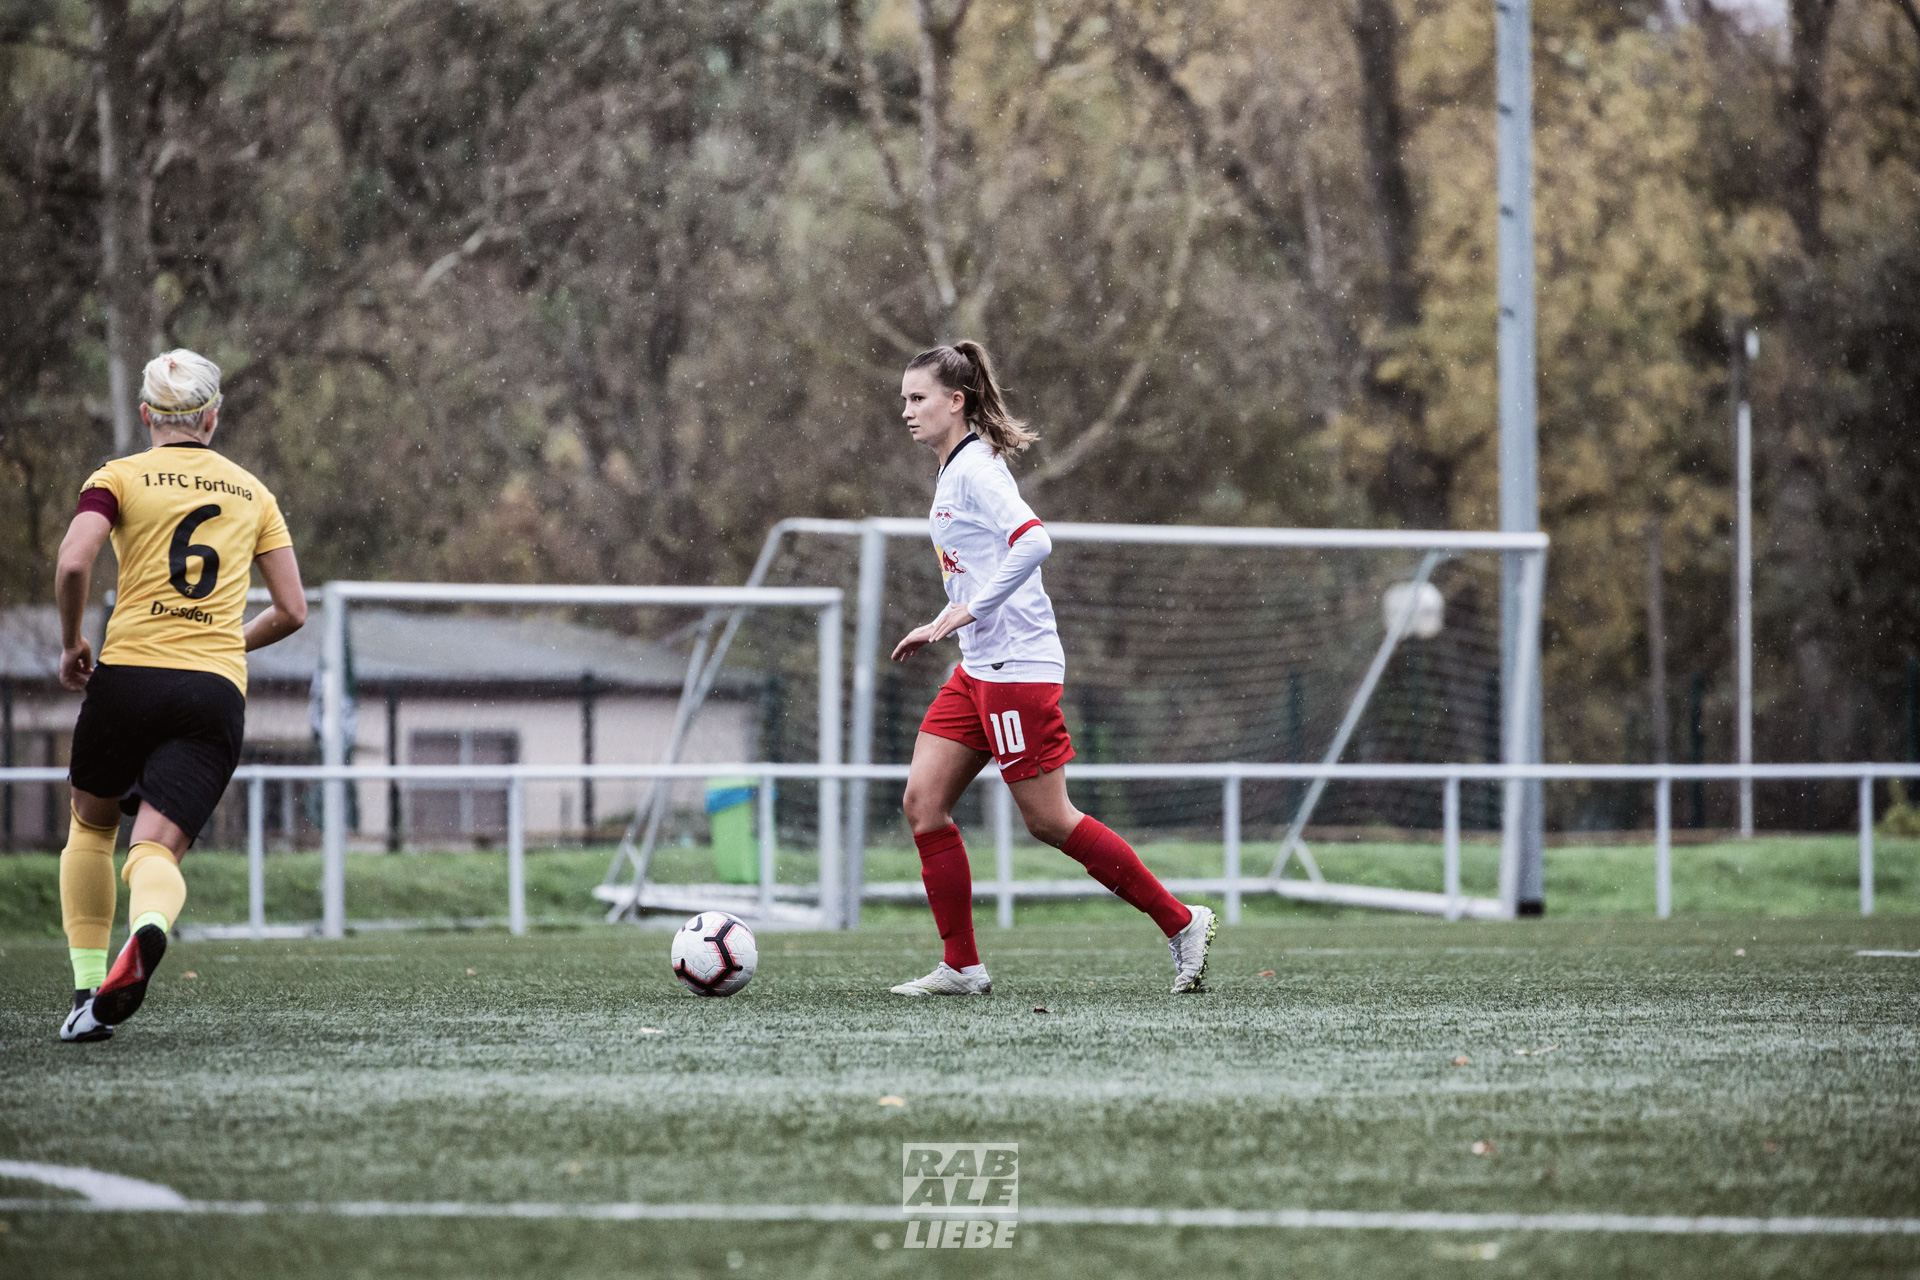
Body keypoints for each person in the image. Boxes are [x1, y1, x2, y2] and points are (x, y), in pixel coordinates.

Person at [887, 341, 1215, 997]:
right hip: (978, 668)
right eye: (904, 399)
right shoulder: (952, 471)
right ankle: (962, 967)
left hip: (1016, 669)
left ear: (955, 402)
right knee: (923, 804)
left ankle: (1182, 923)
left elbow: (1035, 541)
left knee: (1048, 819)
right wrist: (946, 617)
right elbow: (977, 569)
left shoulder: (978, 470)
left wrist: (972, 610)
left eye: (918, 398)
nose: (907, 411)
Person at [54, 349, 308, 1042]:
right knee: (154, 853)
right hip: (210, 690)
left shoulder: (117, 477)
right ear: (212, 417)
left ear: (146, 415)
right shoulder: (253, 493)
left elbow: (74, 561)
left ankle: (85, 993)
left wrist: (73, 641)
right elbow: (292, 610)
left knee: (92, 829)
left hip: (126, 678)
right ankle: (149, 923)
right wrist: (223, 646)